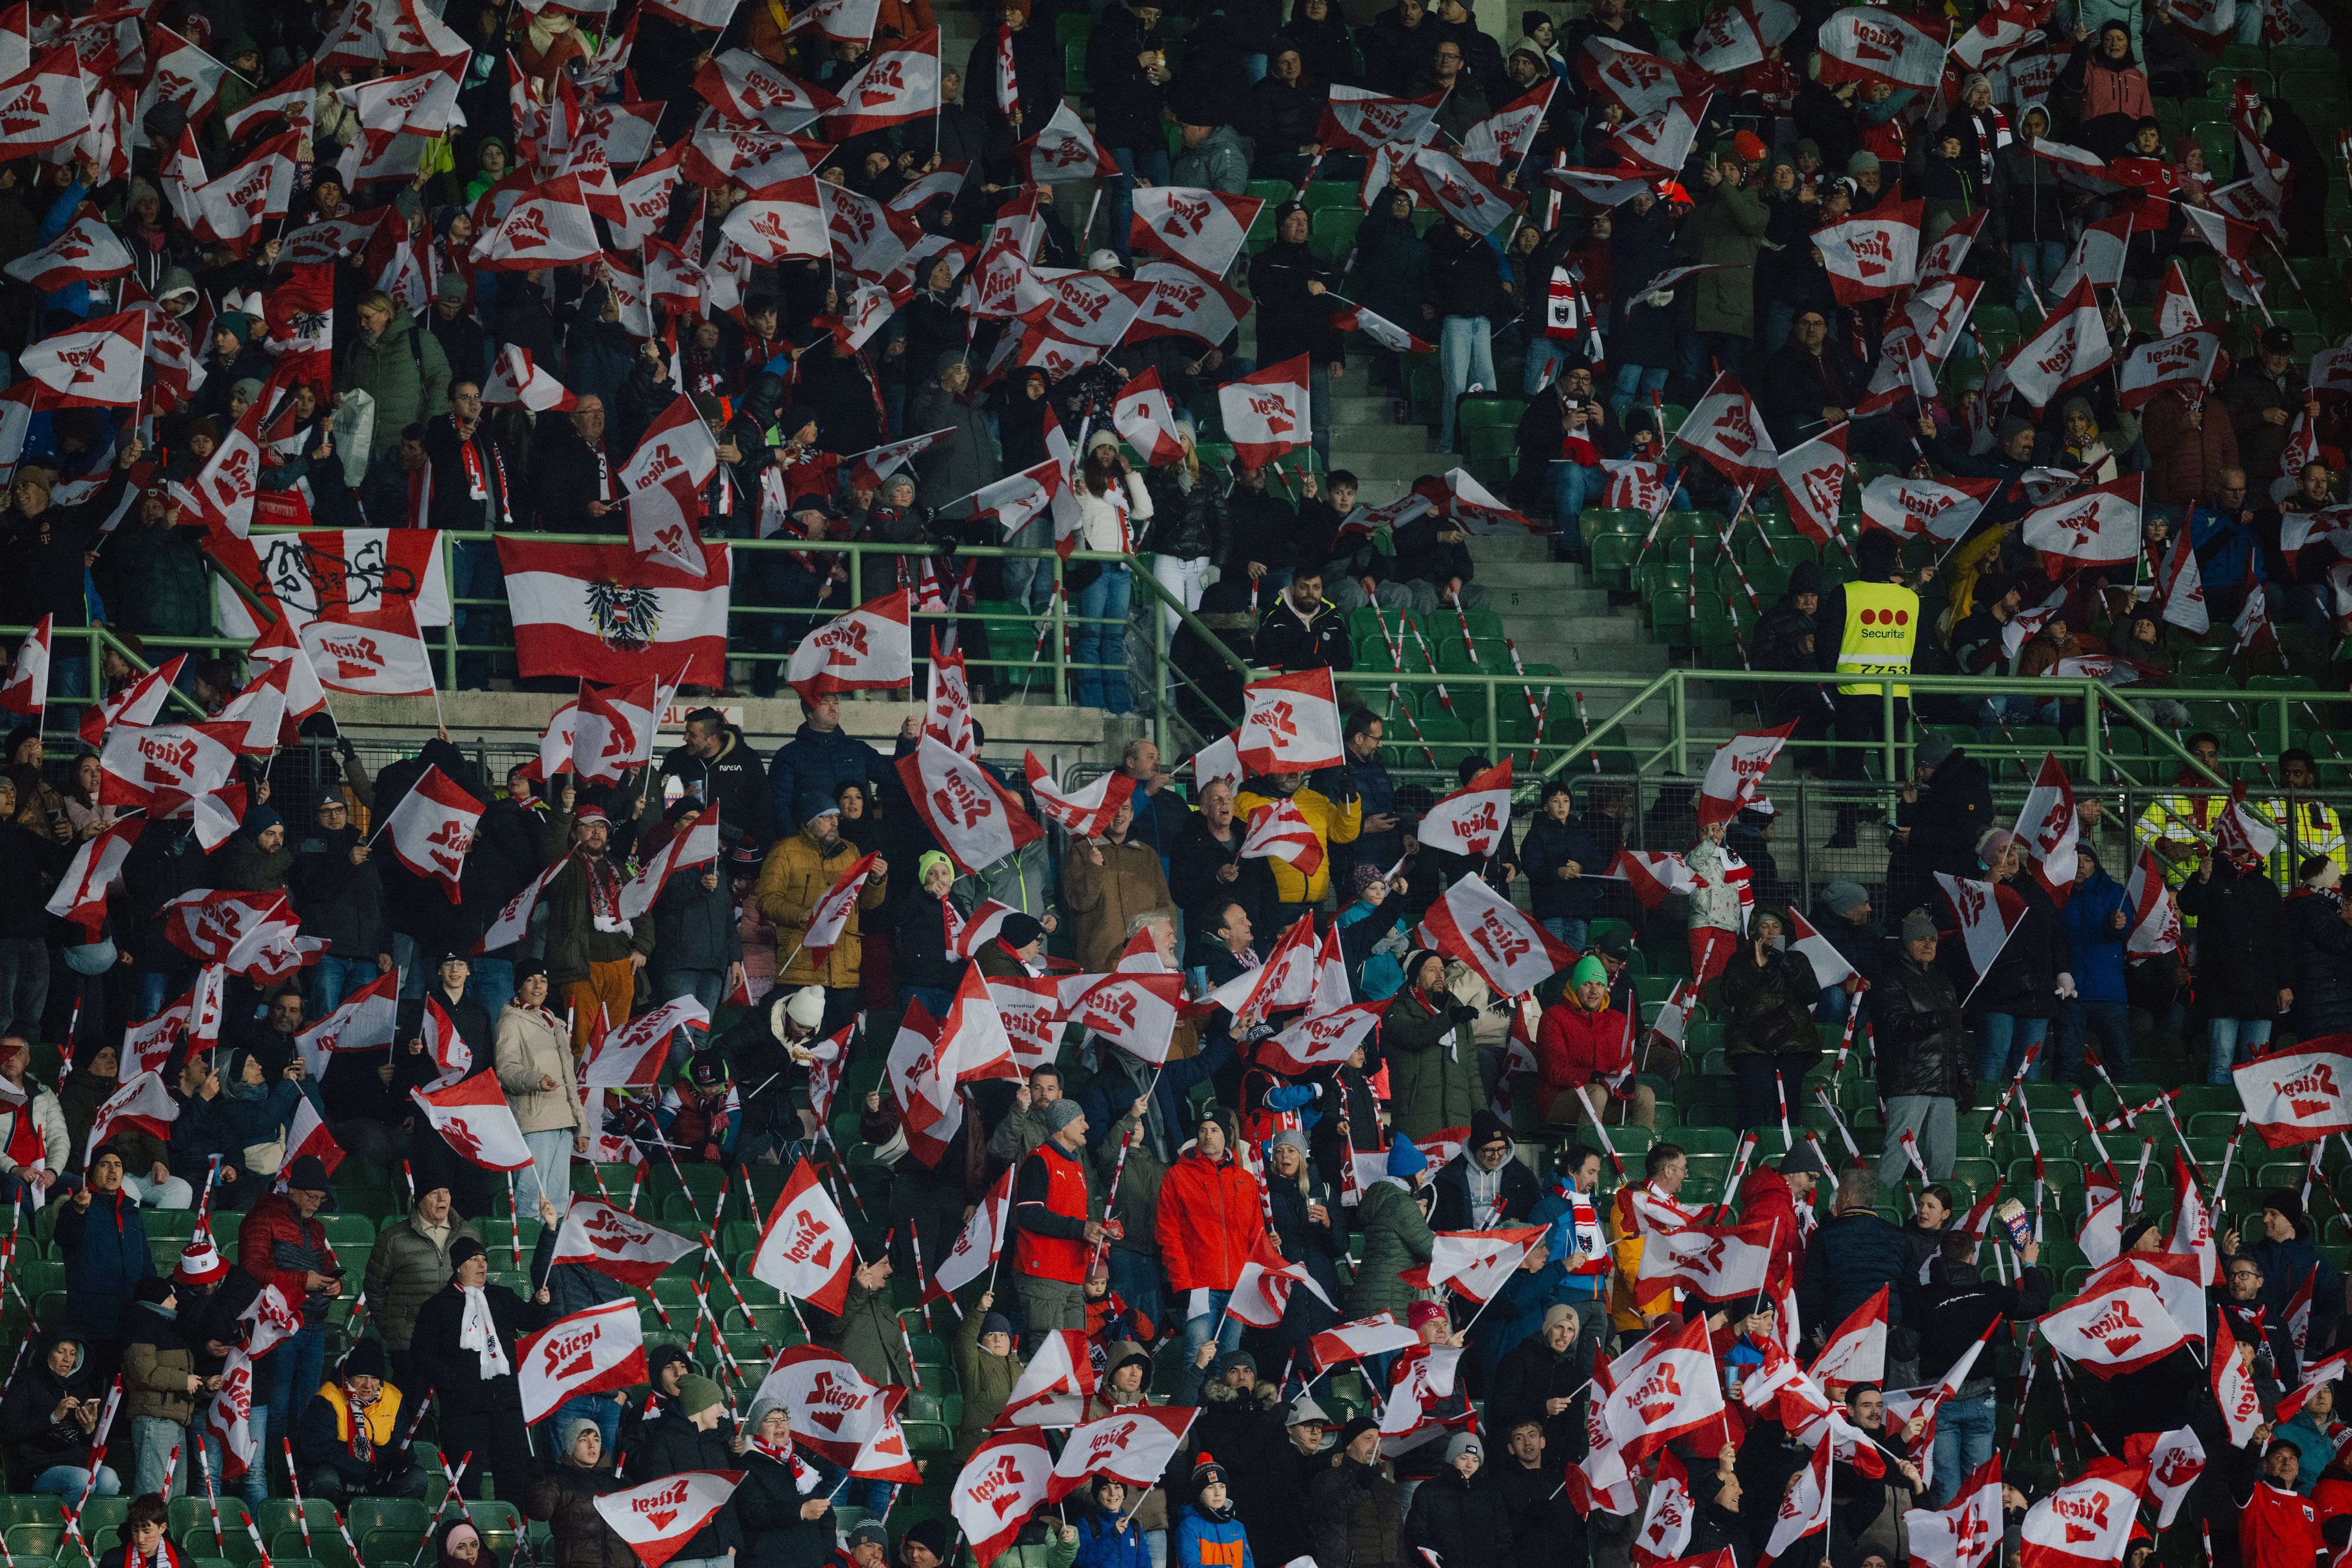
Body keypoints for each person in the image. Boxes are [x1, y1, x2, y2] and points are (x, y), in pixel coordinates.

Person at [1905, 1229, 2049, 1506]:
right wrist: (2029, 1263)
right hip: (1982, 1398)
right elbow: (2038, 1303)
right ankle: (1977, 1548)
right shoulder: (1990, 1292)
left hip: (1940, 1403)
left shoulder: (1921, 1298)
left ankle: (1951, 1548)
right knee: (1979, 1489)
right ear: (1972, 1258)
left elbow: (1904, 1349)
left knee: (1946, 1489)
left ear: (1940, 1256)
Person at [407, 1236, 551, 1509]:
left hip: (507, 1407)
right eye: (474, 1259)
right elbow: (421, 1354)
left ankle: (513, 1542)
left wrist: (540, 1304)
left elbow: (531, 1321)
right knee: (467, 1485)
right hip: (463, 1411)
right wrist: (453, 1383)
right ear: (458, 1267)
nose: (482, 1265)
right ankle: (470, 1542)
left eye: (484, 1259)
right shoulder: (438, 1306)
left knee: (514, 1484)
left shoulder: (502, 1297)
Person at [1817, 531, 1929, 848]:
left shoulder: (1845, 594)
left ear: (1860, 559)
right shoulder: (1910, 599)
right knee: (1894, 768)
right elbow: (1920, 654)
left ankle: (1845, 834)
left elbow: (1825, 649)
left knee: (1850, 767)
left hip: (1852, 695)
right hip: (1896, 696)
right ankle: (1902, 833)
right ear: (1895, 561)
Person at [757, 792, 890, 1039]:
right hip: (801, 969)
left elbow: (867, 904)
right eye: (827, 817)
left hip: (844, 974)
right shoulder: (784, 851)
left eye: (836, 817)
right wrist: (803, 915)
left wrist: (876, 880)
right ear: (809, 821)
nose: (835, 823)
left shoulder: (851, 851)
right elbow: (767, 902)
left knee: (840, 1049)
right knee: (800, 1050)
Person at [1158, 1108, 1268, 1406]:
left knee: (1229, 1364)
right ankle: (1189, 1430)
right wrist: (1182, 1282)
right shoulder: (1177, 1176)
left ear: (1227, 1136)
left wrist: (1254, 1278)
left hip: (1237, 1288)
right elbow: (1168, 1234)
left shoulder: (1245, 1180)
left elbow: (1255, 1235)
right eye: (1204, 1130)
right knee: (1196, 1357)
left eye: (1215, 1130)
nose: (1208, 1136)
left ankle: (1223, 1426)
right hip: (1199, 1286)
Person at [2182, 835, 2290, 1083]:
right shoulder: (2209, 881)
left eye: (2245, 849)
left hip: (2261, 993)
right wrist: (2202, 880)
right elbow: (2188, 905)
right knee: (2221, 1062)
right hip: (2223, 991)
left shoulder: (2266, 887)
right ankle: (2221, 1120)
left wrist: (2285, 983)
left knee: (2257, 1065)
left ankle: (2251, 1121)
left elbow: (2280, 939)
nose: (2240, 854)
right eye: (2235, 849)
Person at [1873, 912, 1968, 1183]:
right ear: (1906, 943)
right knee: (1897, 1157)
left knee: (1943, 1161)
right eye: (1920, 939)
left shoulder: (1943, 982)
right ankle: (1876, 1212)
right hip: (1909, 1081)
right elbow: (1898, 1024)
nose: (1928, 945)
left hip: (1943, 1084)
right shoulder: (1892, 979)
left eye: (1932, 940)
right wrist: (1941, 1018)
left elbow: (1954, 1038)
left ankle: (1937, 1223)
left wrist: (1965, 1079)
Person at [363, 1180, 482, 1393]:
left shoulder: (469, 1233)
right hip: (409, 1344)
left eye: (446, 1192)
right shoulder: (393, 1238)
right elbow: (374, 1287)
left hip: (459, 1341)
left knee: (457, 1413)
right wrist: (392, 1328)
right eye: (434, 1193)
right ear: (418, 1200)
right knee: (413, 1413)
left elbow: (480, 1284)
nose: (442, 1199)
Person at [1014, 1098, 1104, 1353]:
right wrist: (1080, 1228)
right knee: (1048, 1354)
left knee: (1073, 1354)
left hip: (1073, 1274)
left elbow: (1073, 1217)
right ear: (1062, 1126)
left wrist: (1094, 1233)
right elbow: (1029, 1214)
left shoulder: (1076, 1165)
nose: (1087, 1126)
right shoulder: (1038, 1160)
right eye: (1080, 1121)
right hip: (1044, 1274)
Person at [1719, 910, 1820, 1130]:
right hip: (1751, 1043)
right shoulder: (1739, 960)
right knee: (1752, 1106)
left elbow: (1812, 993)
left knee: (1788, 1108)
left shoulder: (1798, 959)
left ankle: (1786, 1159)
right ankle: (1750, 1159)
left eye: (1776, 927)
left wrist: (1788, 968)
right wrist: (1757, 968)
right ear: (1756, 931)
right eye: (1765, 926)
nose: (1771, 932)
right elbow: (1728, 994)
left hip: (1793, 1042)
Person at [495, 962, 582, 1216]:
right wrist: (536, 1079)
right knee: (532, 1201)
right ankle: (528, 1254)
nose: (537, 986)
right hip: (534, 1122)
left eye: (542, 981)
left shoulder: (554, 1022)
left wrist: (581, 1125)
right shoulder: (511, 1020)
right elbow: (506, 1070)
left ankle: (552, 1256)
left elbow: (570, 1079)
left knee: (559, 1204)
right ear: (520, 986)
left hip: (563, 1122)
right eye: (531, 980)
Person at [293, 1338, 427, 1503]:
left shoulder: (394, 1398)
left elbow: (404, 1446)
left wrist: (401, 1462)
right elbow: (319, 1451)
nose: (368, 1385)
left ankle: (392, 1525)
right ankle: (327, 1526)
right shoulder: (328, 1397)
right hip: (340, 1471)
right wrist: (364, 1473)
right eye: (361, 1377)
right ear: (349, 1377)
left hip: (379, 1472)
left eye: (374, 1378)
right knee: (325, 1480)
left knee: (417, 1478)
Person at [59, 1144, 155, 1370]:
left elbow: (146, 1263)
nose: (112, 1170)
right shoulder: (78, 1207)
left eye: (118, 1165)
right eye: (104, 1164)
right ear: (92, 1172)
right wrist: (78, 1211)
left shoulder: (132, 1212)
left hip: (129, 1319)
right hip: (92, 1320)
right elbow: (66, 1236)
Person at [0, 1331, 120, 1505]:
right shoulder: (25, 1382)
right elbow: (9, 1428)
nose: (67, 1359)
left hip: (78, 1462)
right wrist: (53, 1417)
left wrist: (90, 1429)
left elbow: (93, 1442)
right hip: (38, 1466)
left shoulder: (80, 1386)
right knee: (82, 1479)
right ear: (47, 1353)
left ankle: (87, 1531)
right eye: (61, 1352)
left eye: (72, 1354)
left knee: (110, 1479)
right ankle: (64, 1531)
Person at [122, 1276, 211, 1498]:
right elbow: (145, 1374)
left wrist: (205, 1385)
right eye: (169, 1297)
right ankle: (144, 1534)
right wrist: (185, 1381)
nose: (175, 1302)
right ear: (155, 1301)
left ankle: (165, 1534)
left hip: (173, 1421)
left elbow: (177, 1377)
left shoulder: (169, 1329)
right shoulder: (141, 1327)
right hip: (154, 1420)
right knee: (153, 1496)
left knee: (173, 1496)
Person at [1533, 955, 1647, 1127]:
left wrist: (1629, 1077)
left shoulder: (1619, 1020)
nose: (1594, 991)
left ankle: (1638, 1151)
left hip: (1606, 1095)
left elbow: (1625, 1062)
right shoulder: (1554, 1016)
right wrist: (1594, 1077)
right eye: (1587, 984)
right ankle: (1589, 1152)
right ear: (1576, 986)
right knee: (1597, 1093)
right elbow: (1555, 1070)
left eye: (1600, 985)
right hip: (1560, 1099)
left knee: (1645, 1095)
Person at [1382, 951, 1484, 1141]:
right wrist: (1450, 1018)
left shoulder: (1456, 1009)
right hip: (1416, 1125)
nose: (1440, 975)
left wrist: (1482, 1116)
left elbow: (1472, 1072)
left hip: (1458, 1124)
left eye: (1442, 970)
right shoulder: (1398, 1009)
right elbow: (1413, 1037)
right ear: (1417, 978)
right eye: (1431, 970)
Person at [1062, 804, 1174, 974]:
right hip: (1100, 959)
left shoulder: (1148, 854)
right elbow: (1080, 903)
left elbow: (1164, 906)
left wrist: (1168, 940)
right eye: (1113, 809)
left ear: (1132, 814)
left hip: (1147, 957)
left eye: (1126, 808)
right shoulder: (1081, 851)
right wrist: (1094, 869)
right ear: (1102, 814)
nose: (1119, 814)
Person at [731, 1394, 837, 1566]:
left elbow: (827, 1514)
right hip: (767, 1562)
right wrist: (800, 1512)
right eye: (771, 1420)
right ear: (757, 1429)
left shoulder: (803, 1466)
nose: (779, 1424)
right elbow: (754, 1512)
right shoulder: (745, 1465)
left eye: (784, 1418)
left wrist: (824, 1551)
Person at [524, 1415, 637, 1568]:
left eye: (596, 1440)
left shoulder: (618, 1485)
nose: (592, 1446)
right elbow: (540, 1512)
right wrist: (537, 1481)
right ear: (570, 1446)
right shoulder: (558, 1482)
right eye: (583, 1440)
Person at [1405, 1433, 1512, 1567]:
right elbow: (1416, 1536)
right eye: (1464, 1458)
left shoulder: (1491, 1492)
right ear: (1452, 1459)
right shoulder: (1428, 1491)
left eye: (1475, 1460)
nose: (1469, 1465)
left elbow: (1504, 1538)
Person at [1309, 1417, 1404, 1568]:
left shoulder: (1387, 1486)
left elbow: (1399, 1536)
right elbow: (1327, 1513)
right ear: (1349, 1444)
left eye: (1378, 1441)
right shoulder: (1329, 1478)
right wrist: (1357, 1485)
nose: (1375, 1446)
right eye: (1368, 1439)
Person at [1175, 1454, 1255, 1568]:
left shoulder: (1237, 1527)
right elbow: (1190, 1566)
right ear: (1199, 1492)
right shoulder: (1188, 1527)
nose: (1218, 1493)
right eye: (1210, 1487)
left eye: (1222, 1486)